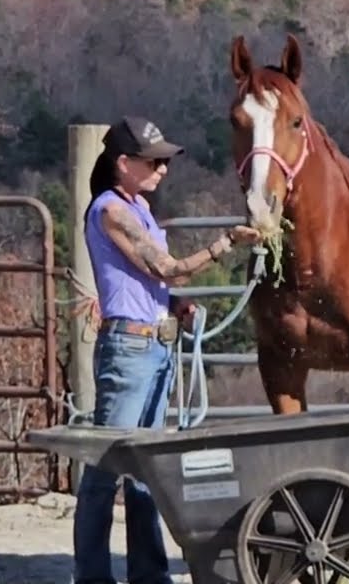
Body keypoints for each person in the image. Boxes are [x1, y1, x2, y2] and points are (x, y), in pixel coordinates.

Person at [73, 115, 261, 584]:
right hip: (130, 349)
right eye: (153, 162)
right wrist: (224, 243)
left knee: (146, 471)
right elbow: (166, 268)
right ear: (124, 163)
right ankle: (94, 575)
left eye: (163, 162)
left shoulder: (137, 208)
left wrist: (173, 305)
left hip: (151, 346)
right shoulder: (111, 211)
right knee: (105, 468)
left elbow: (148, 281)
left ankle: (148, 573)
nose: (162, 170)